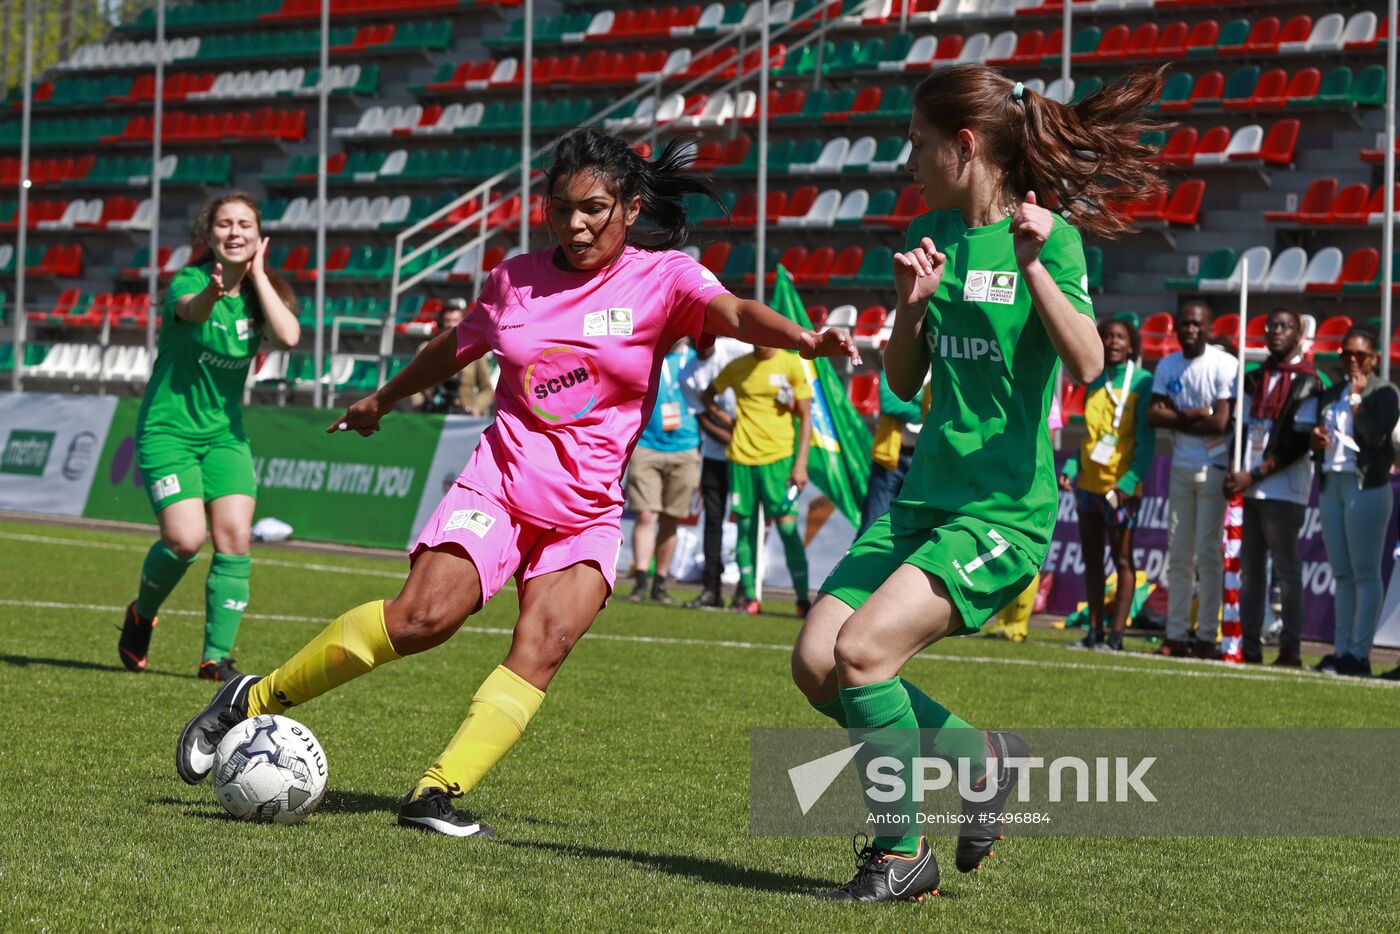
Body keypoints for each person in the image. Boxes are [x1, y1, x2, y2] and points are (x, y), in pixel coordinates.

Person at [175, 128, 858, 838]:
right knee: (422, 619)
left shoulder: (666, 279)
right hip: (499, 485)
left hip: (587, 511)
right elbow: (455, 344)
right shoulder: (516, 279)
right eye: (560, 209)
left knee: (546, 643)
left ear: (629, 207)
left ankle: (435, 793)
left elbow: (738, 314)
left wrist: (801, 337)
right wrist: (383, 399)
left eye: (593, 208)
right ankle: (255, 697)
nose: (576, 224)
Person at [791, 64, 1162, 902]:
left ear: (964, 146)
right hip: (924, 500)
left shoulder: (1049, 237)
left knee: (862, 654)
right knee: (818, 665)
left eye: (919, 144)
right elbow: (899, 383)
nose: (907, 159)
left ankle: (898, 856)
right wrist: (911, 305)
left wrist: (1034, 267)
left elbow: (1089, 364)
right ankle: (985, 759)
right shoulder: (933, 234)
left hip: (999, 512)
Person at [117, 192, 300, 681]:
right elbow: (192, 311)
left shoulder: (264, 295)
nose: (234, 232)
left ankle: (214, 657)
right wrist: (213, 295)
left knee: (235, 537)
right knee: (184, 538)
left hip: (225, 437)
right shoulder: (192, 280)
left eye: (244, 225)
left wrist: (258, 276)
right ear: (209, 234)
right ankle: (140, 615)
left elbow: (289, 338)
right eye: (224, 224)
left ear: (259, 238)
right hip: (168, 431)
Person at [1224, 307, 1321, 667]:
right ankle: (1249, 647)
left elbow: (1299, 442)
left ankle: (1290, 649)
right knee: (1250, 570)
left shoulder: (1309, 381)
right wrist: (1236, 471)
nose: (1276, 331)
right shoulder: (1254, 377)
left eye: (1285, 326)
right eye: (1270, 326)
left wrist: (1256, 474)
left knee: (1285, 569)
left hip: (1284, 488)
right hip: (1249, 486)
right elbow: (1239, 429)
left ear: (1299, 335)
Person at [1060, 317, 1155, 651]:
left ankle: (1116, 636)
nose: (1113, 342)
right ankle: (1094, 632)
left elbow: (1146, 442)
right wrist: (1071, 467)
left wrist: (1130, 481)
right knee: (1092, 558)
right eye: (1107, 337)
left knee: (1123, 559)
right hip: (1088, 484)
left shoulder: (1143, 382)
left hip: (1120, 487)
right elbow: (1091, 437)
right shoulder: (1093, 380)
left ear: (1131, 345)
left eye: (1120, 337)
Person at [1147, 301, 1235, 658]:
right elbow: (1154, 415)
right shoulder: (1168, 364)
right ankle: (1177, 633)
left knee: (1208, 556)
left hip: (1214, 467)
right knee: (1179, 555)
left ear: (1210, 328)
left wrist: (1177, 416)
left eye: (1197, 324)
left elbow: (1220, 423)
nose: (1190, 329)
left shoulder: (1225, 364)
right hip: (1180, 466)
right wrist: (1193, 414)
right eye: (1184, 323)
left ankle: (1206, 636)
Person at [1311, 326, 1399, 677]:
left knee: (1365, 572)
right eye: (1345, 354)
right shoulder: (1332, 393)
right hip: (1333, 483)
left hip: (1367, 486)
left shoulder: (1385, 393)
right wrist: (1317, 440)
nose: (1351, 361)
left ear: (1374, 358)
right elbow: (1321, 437)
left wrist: (1359, 403)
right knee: (1342, 573)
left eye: (1359, 355)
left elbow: (1376, 438)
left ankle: (1360, 654)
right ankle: (1342, 649)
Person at [701, 346, 814, 616]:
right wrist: (727, 420)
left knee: (787, 530)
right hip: (741, 459)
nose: (760, 342)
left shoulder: (791, 364)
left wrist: (800, 464)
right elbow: (707, 396)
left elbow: (806, 416)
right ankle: (750, 597)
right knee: (745, 528)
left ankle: (802, 599)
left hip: (780, 460)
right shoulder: (738, 366)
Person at [625, 339, 701, 604]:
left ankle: (660, 582)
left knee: (672, 518)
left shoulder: (697, 359)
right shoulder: (646, 355)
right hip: (646, 445)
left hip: (685, 447)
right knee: (646, 515)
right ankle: (641, 580)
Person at [679, 336, 750, 609]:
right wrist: (736, 439)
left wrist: (749, 440)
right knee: (713, 521)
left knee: (747, 520)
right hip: (716, 455)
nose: (702, 342)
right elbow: (703, 421)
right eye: (695, 338)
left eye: (707, 336)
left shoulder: (735, 348)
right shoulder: (688, 375)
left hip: (749, 454)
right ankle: (711, 589)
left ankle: (746, 589)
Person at [859, 372, 927, 536]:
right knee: (871, 528)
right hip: (891, 461)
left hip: (926, 464)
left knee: (916, 532)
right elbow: (889, 404)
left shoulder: (944, 368)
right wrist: (925, 408)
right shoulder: (902, 361)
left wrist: (916, 404)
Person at [412, 299, 496, 416]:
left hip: (462, 418)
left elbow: (487, 389)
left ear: (463, 322)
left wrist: (476, 408)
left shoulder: (475, 351)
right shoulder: (426, 349)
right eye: (447, 320)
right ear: (441, 322)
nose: (451, 324)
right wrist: (420, 404)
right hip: (430, 416)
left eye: (455, 320)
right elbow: (412, 383)